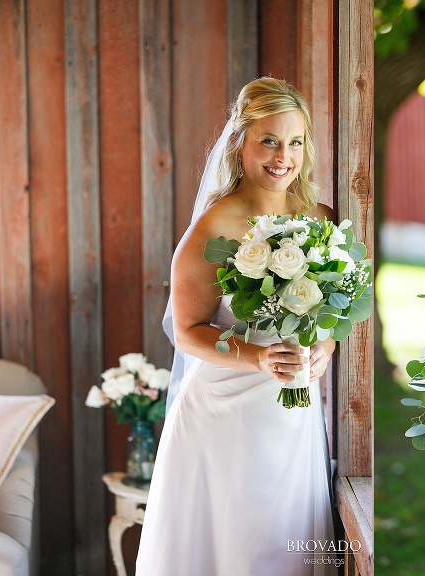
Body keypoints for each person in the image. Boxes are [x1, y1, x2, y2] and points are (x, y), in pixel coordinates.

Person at [135, 77, 337, 576]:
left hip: (294, 411)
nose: (281, 156)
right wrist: (260, 357)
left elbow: (334, 312)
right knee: (233, 548)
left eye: (294, 142)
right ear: (241, 144)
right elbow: (187, 330)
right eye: (268, 140)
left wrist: (325, 347)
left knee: (284, 544)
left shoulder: (322, 217)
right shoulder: (217, 226)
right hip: (224, 417)